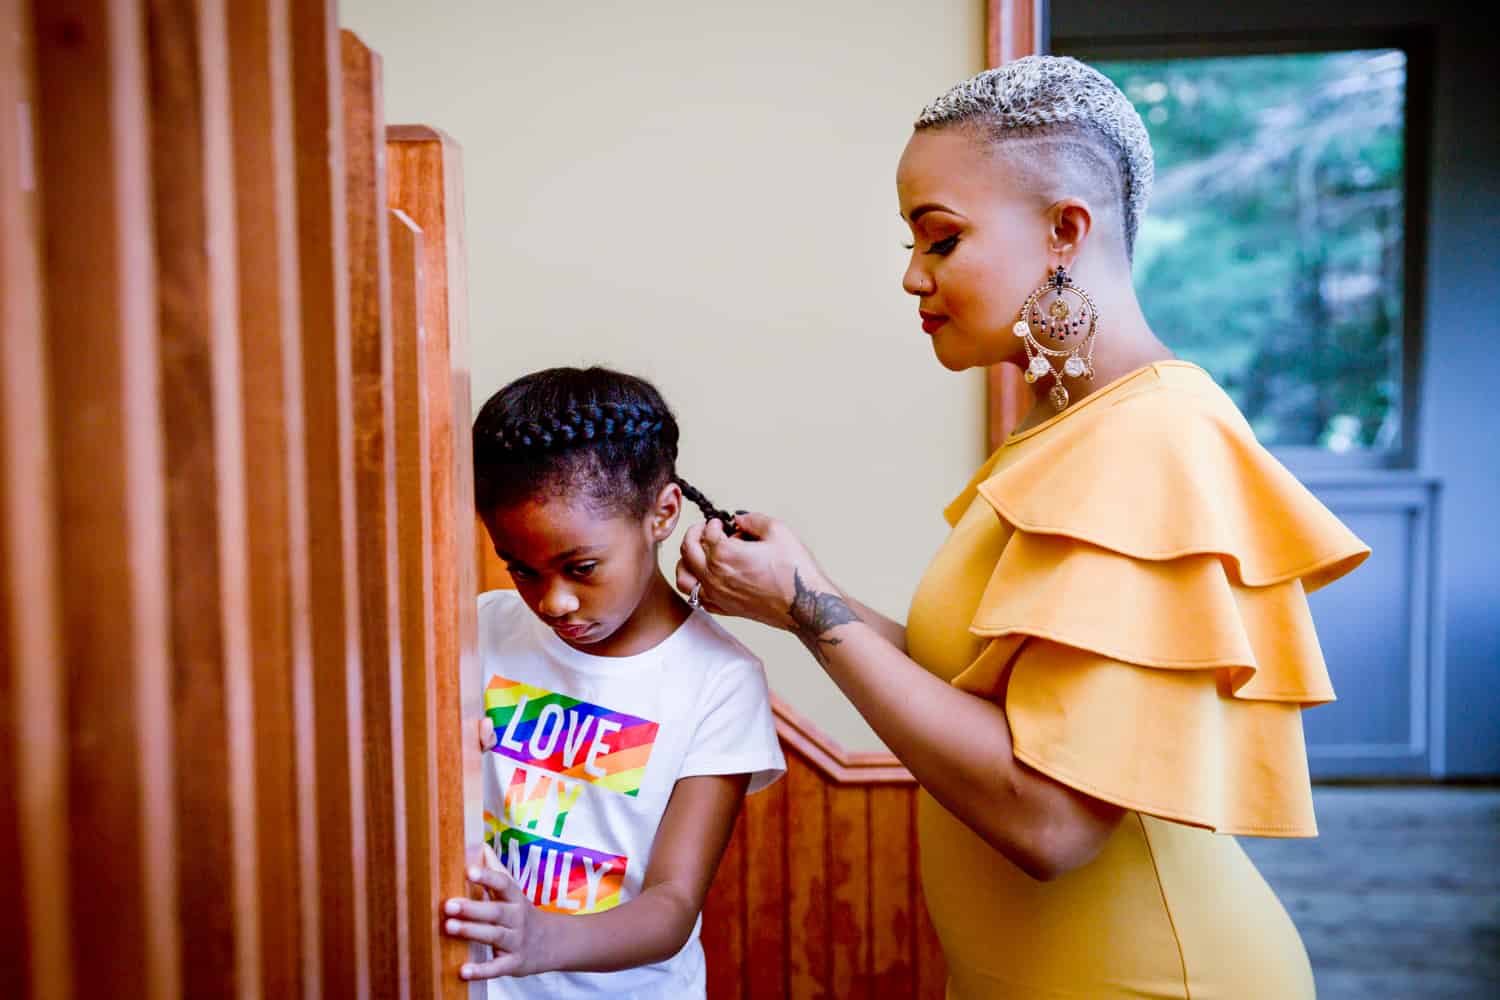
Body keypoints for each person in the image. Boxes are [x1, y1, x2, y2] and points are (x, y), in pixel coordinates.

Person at [675, 56, 1369, 998]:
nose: (913, 276)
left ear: (1063, 233)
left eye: (941, 239)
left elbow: (1050, 819)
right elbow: (987, 699)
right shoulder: (1060, 426)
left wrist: (810, 606)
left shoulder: (1150, 435)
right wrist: (799, 599)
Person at [444, 367, 784, 997]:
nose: (554, 602)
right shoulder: (480, 631)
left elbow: (673, 904)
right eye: (522, 570)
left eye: (581, 567)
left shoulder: (720, 682)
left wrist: (541, 940)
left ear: (662, 514)